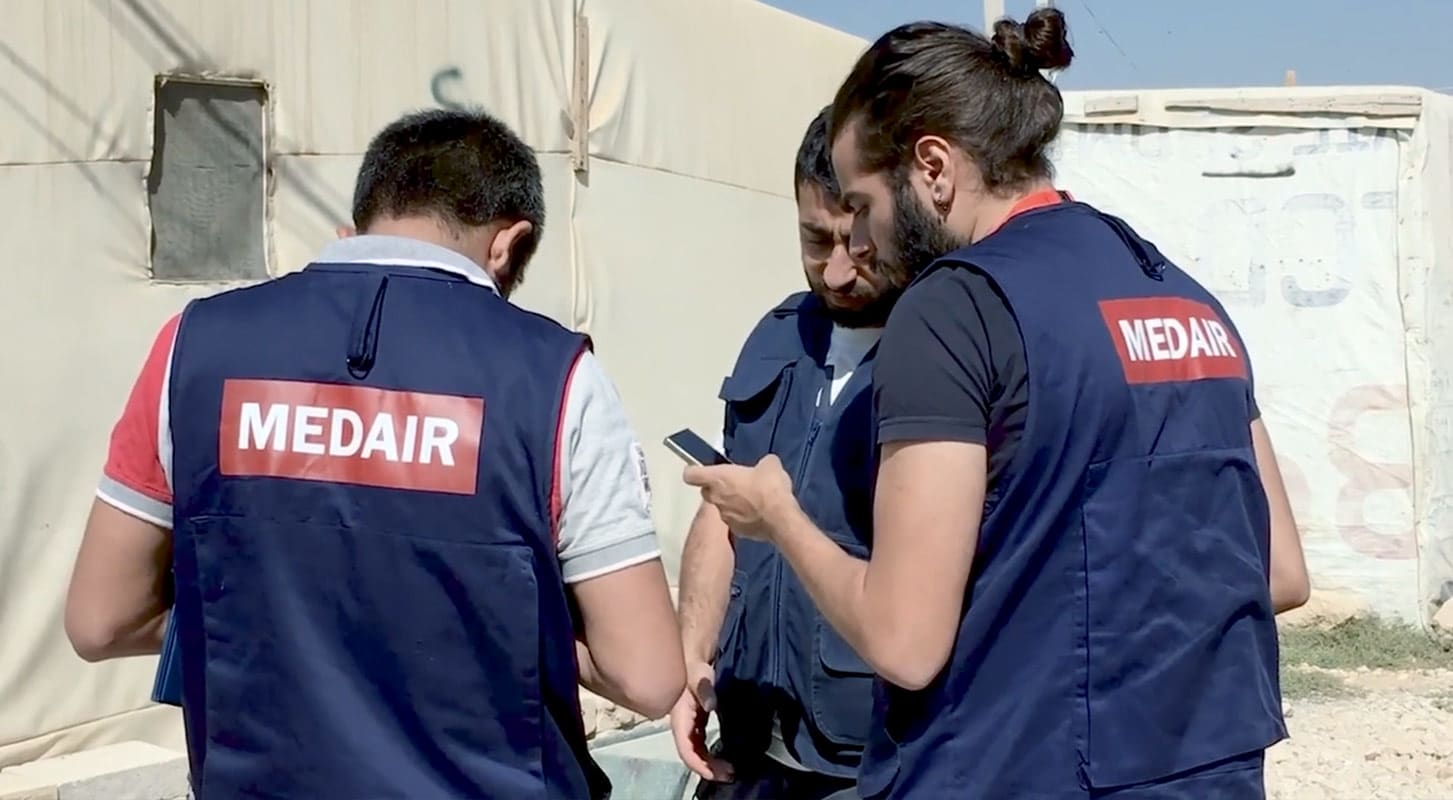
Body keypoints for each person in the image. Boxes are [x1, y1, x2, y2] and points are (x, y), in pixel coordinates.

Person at [684, 9, 1310, 799]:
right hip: (1198, 767)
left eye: (864, 205)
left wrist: (778, 516)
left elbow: (904, 642)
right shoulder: (1181, 296)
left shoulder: (955, 307)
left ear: (933, 167)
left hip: (1009, 768)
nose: (861, 244)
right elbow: (1278, 571)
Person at [64, 107, 685, 800]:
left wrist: (270, 617)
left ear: (358, 224)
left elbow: (99, 620)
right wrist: (498, 632)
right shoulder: (556, 378)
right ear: (508, 244)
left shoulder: (192, 346)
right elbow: (648, 675)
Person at [671, 107, 900, 800]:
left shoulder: (940, 358)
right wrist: (691, 662)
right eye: (812, 239)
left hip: (870, 766)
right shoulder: (775, 338)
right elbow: (722, 514)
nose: (834, 273)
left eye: (857, 245)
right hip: (748, 754)